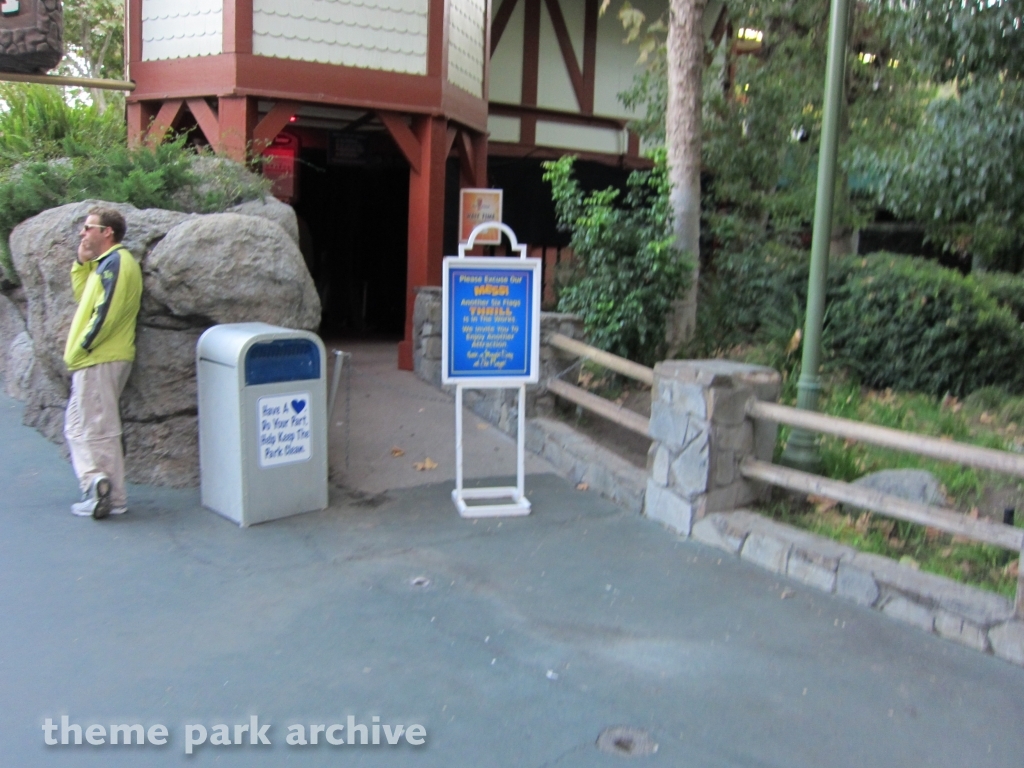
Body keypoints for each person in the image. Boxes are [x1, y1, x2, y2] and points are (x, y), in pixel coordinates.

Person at [63, 208, 142, 519]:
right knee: (75, 426)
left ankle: (115, 497)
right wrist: (81, 265)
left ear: (107, 232)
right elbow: (85, 299)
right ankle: (96, 483)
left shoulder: (118, 262)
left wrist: (81, 349)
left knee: (99, 427)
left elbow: (105, 314)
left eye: (88, 227)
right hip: (94, 358)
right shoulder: (103, 265)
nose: (83, 233)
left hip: (101, 357)